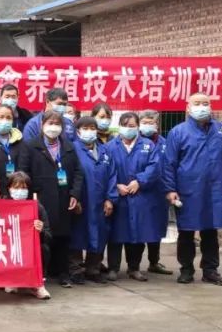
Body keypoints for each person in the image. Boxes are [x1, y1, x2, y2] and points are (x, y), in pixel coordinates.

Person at [163, 93, 222, 286]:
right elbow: (169, 163)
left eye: (205, 103)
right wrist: (170, 188)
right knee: (186, 232)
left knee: (210, 231)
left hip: (214, 189)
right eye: (197, 103)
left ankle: (210, 270)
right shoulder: (178, 132)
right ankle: (186, 269)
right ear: (188, 107)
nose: (202, 107)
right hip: (188, 189)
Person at [24, 110, 84, 288]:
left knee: (63, 237)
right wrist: (30, 196)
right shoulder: (31, 146)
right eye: (50, 123)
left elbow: (78, 172)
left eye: (57, 124)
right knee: (43, 236)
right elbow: (24, 171)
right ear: (42, 125)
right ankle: (41, 273)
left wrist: (75, 194)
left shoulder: (68, 147)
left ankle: (63, 273)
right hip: (41, 198)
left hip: (64, 197)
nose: (53, 127)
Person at [107, 112, 163, 282]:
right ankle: (113, 268)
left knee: (137, 233)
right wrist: (116, 185)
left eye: (132, 126)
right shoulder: (110, 147)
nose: (128, 129)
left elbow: (155, 167)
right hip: (119, 197)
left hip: (141, 196)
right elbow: (106, 170)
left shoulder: (147, 145)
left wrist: (139, 181)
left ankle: (134, 268)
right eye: (125, 125)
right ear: (119, 126)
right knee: (116, 234)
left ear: (138, 127)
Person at [69, 116, 118, 284]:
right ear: (78, 131)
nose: (89, 131)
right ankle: (75, 269)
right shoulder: (72, 149)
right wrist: (74, 198)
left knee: (100, 233)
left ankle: (93, 268)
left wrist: (110, 199)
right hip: (82, 200)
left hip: (100, 201)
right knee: (77, 234)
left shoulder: (105, 151)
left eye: (92, 128)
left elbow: (113, 175)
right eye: (85, 128)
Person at [3, 172, 52, 300]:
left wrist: (41, 230)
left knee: (44, 249)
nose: (20, 191)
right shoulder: (3, 206)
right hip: (10, 246)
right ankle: (11, 279)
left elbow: (49, 236)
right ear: (9, 188)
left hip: (29, 247)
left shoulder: (37, 207)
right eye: (16, 187)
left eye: (23, 188)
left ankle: (37, 284)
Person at [138, 110, 172, 275]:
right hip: (140, 190)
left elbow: (170, 166)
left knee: (156, 228)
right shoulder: (134, 141)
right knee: (139, 228)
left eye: (151, 122)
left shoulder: (165, 143)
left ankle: (154, 262)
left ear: (157, 124)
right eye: (144, 122)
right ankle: (134, 265)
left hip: (159, 192)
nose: (148, 125)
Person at [0, 105, 29, 199]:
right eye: (1, 117)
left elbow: (24, 168)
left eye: (8, 118)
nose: (5, 120)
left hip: (16, 193)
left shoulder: (20, 141)